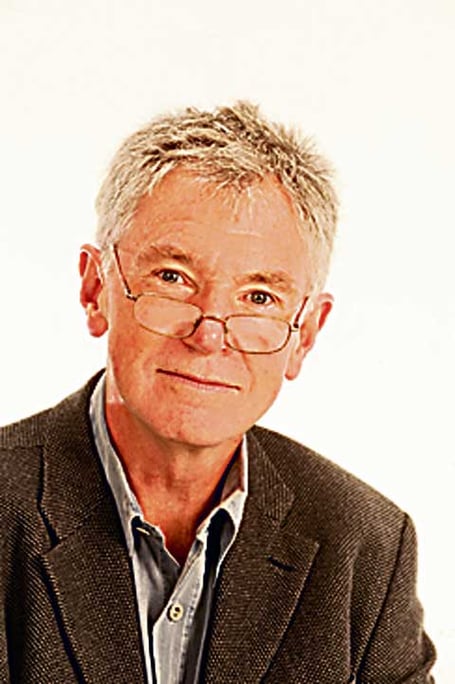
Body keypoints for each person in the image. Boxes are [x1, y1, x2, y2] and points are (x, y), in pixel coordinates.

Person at [0, 102, 435, 683]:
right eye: (173, 278)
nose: (209, 335)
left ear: (305, 334)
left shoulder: (365, 546)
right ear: (95, 288)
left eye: (259, 298)